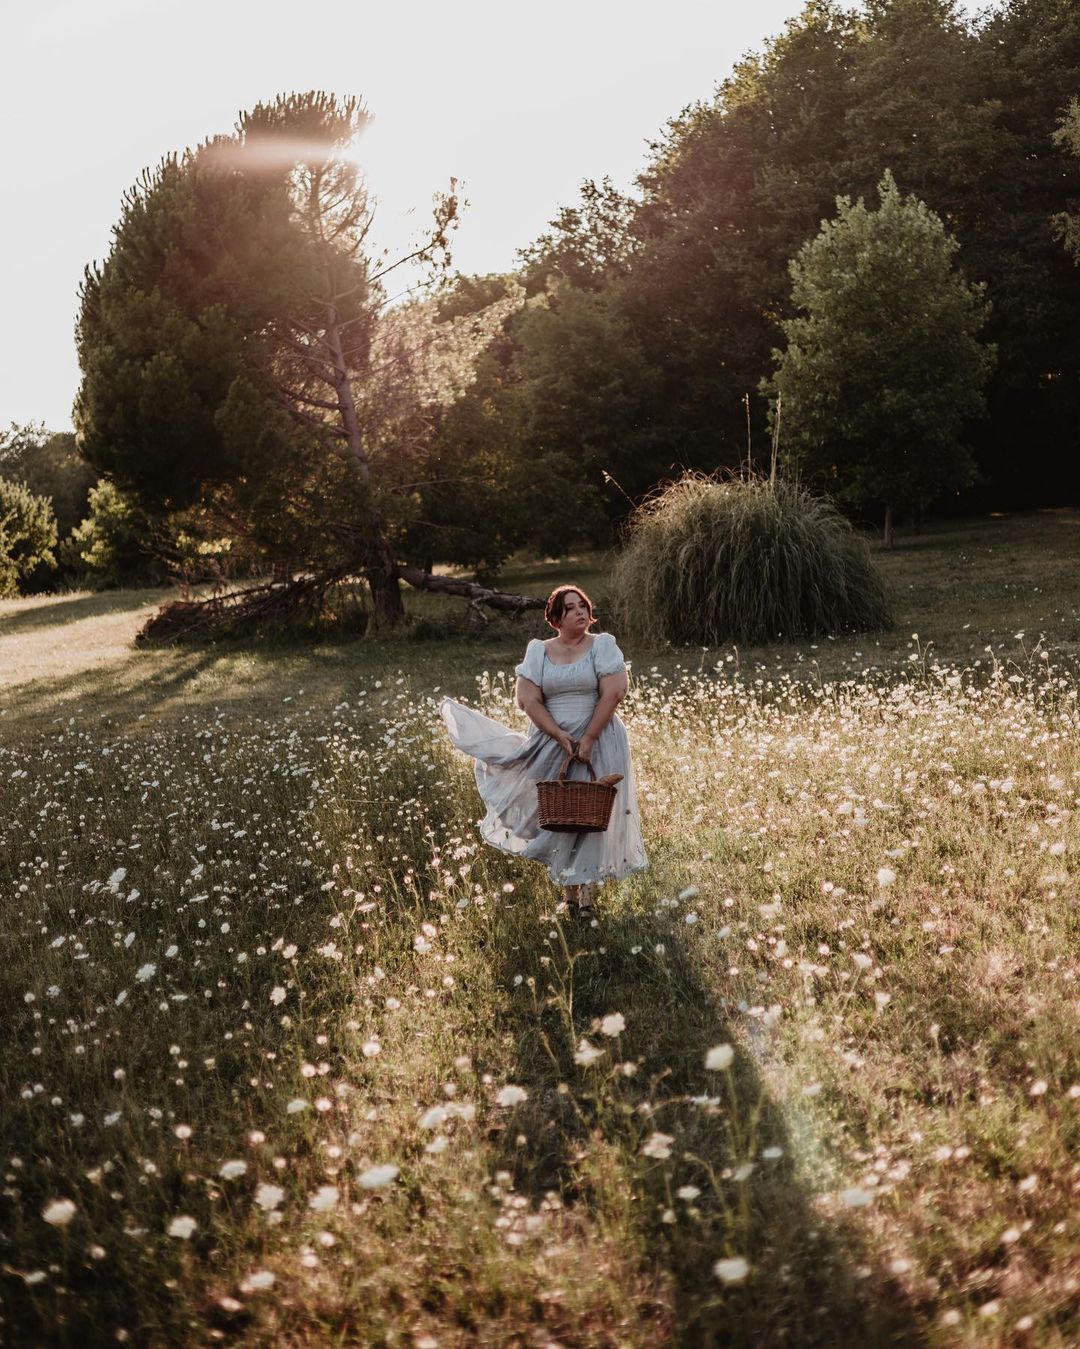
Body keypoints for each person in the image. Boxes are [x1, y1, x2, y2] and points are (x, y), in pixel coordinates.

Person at [440, 584, 648, 916]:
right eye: (570, 608)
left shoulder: (602, 645)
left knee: (593, 813)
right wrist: (560, 736)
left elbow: (614, 692)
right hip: (552, 739)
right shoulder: (539, 650)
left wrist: (589, 738)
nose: (580, 611)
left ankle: (588, 898)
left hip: (600, 733)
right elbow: (527, 699)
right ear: (555, 618)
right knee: (560, 813)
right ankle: (569, 890)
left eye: (583, 605)